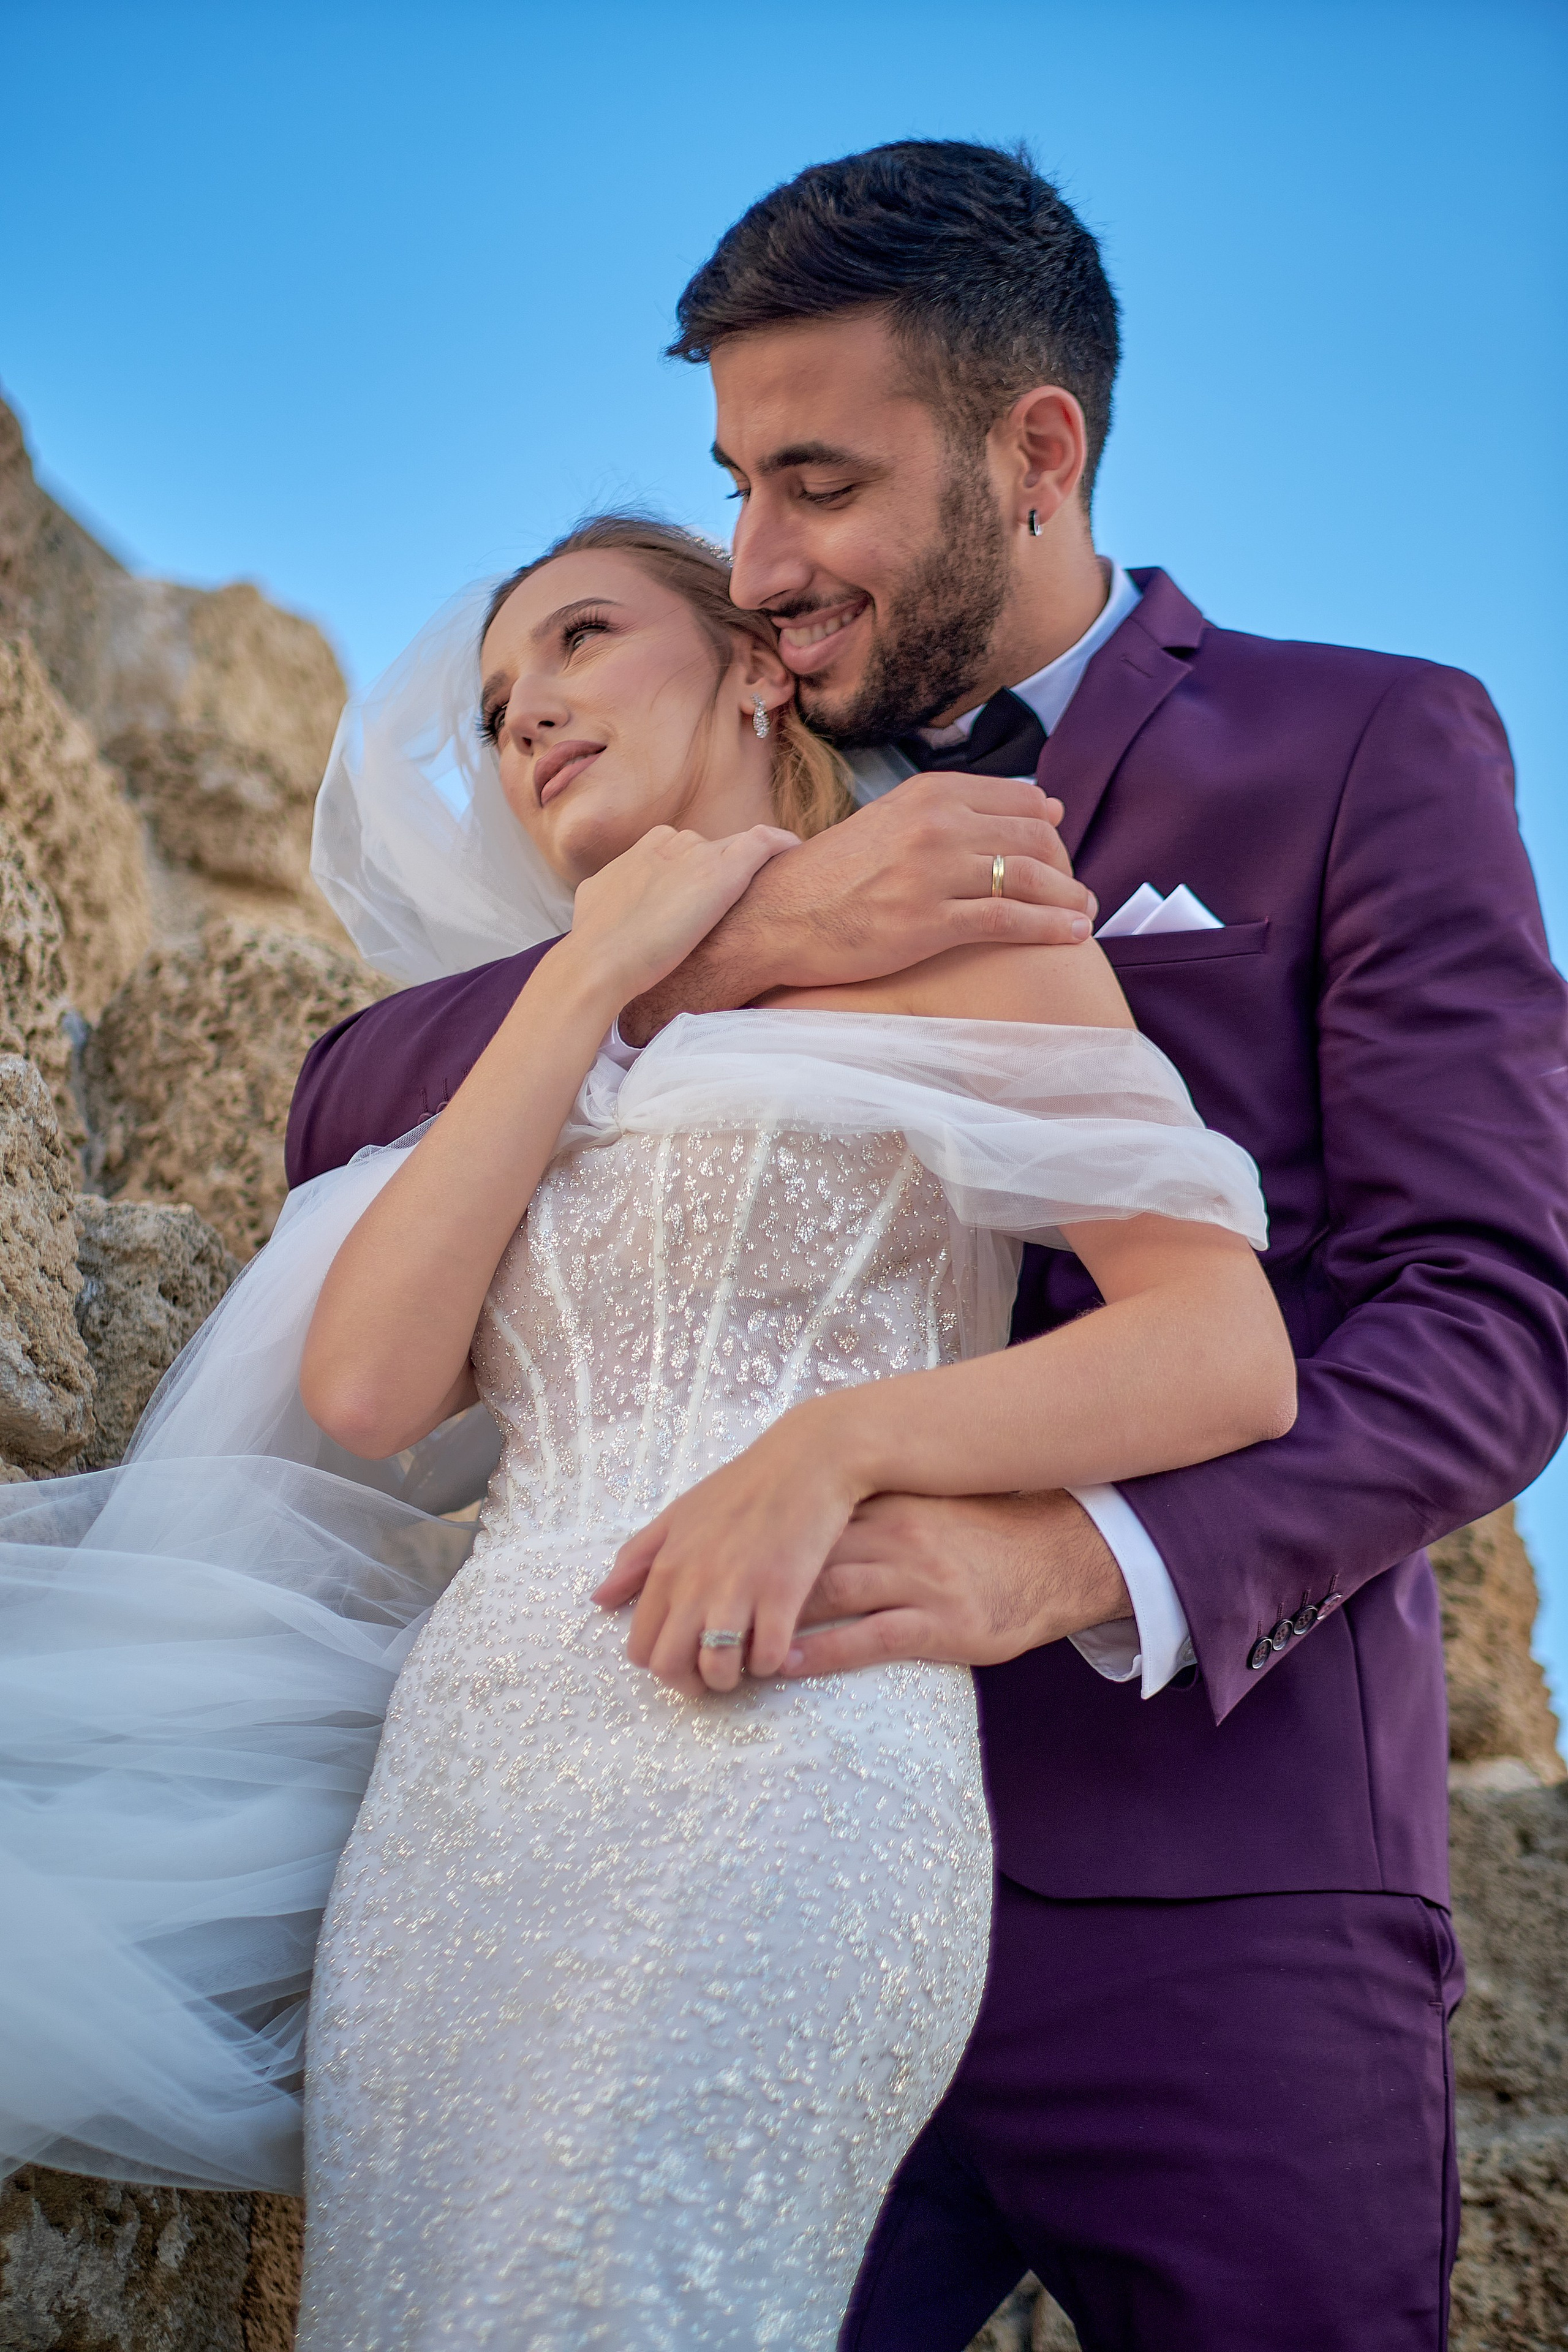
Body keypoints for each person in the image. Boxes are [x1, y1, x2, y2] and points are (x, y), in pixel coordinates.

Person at [288, 143, 1568, 2350]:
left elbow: (1487, 1318)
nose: (758, 561)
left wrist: (1069, 1557)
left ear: (1034, 452)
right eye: (733, 489)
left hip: (1204, 1889)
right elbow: (347, 1107)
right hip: (694, 1825)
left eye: (816, 483)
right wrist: (754, 923)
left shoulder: (1360, 742)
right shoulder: (713, 773)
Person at [292, 516, 1284, 2346]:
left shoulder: (964, 948)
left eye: (585, 641)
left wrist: (838, 1446)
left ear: (757, 662)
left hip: (787, 1757)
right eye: (504, 697)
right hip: (464, 1807)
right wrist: (597, 975)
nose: (532, 714)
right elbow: (367, 1389)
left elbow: (1227, 1349)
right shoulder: (553, 1040)